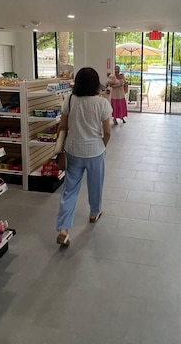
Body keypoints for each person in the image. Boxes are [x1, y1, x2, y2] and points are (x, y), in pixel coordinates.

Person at [56, 67, 112, 246]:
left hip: (73, 150)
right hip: (95, 151)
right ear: (96, 84)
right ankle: (94, 212)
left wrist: (61, 146)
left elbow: (62, 126)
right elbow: (107, 132)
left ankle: (64, 229)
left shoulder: (70, 100)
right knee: (96, 184)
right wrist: (102, 147)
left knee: (70, 189)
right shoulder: (101, 103)